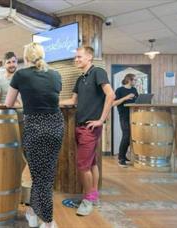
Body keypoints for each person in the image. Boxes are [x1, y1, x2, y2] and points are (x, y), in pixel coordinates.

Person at [5, 42, 64, 228]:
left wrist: (26, 100)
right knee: (44, 174)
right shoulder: (55, 74)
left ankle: (48, 221)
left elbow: (8, 103)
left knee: (40, 177)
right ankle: (32, 211)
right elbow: (51, 97)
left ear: (27, 57)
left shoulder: (20, 75)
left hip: (35, 127)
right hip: (55, 125)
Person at [60, 46, 115, 216]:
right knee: (91, 164)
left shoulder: (98, 72)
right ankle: (93, 196)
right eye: (75, 57)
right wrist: (49, 102)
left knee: (83, 166)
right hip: (79, 126)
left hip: (90, 128)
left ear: (89, 57)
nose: (76, 60)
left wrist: (101, 119)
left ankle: (88, 200)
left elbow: (111, 95)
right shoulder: (80, 78)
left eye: (79, 57)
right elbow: (72, 100)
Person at [112, 74, 138, 167]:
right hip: (124, 115)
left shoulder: (134, 90)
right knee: (126, 135)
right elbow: (114, 103)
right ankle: (121, 158)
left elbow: (137, 101)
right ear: (129, 80)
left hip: (134, 116)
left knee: (130, 136)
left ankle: (123, 155)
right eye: (135, 80)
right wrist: (126, 98)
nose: (136, 81)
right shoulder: (119, 90)